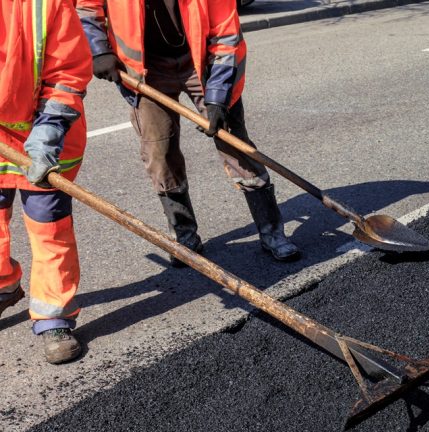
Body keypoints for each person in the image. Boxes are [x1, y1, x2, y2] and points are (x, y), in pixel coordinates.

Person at [76, 0, 300, 265]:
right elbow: (87, 7)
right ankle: (184, 236)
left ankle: (272, 232)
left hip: (203, 62)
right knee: (159, 154)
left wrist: (217, 99)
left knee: (236, 148)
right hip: (146, 70)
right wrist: (98, 49)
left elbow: (226, 35)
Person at [0, 0, 92, 364]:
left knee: (48, 227)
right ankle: (4, 286)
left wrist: (49, 130)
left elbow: (67, 70)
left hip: (43, 139)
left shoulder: (45, 4)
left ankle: (55, 314)